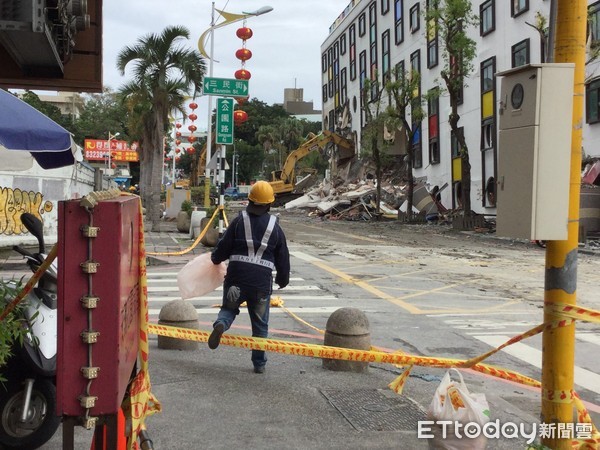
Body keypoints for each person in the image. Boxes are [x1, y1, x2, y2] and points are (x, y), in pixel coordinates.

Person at [208, 181, 290, 373]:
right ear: (270, 203)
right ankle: (259, 364)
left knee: (229, 309)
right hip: (260, 284)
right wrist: (282, 280)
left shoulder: (238, 221)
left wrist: (215, 258)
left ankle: (221, 324)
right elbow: (283, 257)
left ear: (250, 200)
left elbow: (223, 246)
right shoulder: (275, 227)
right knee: (260, 325)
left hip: (236, 278)